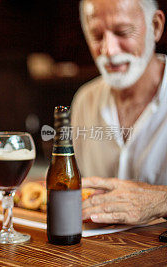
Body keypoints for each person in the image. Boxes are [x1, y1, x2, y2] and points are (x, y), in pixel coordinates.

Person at [73, 0, 167, 225]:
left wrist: (160, 200)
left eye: (122, 32)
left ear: (155, 26)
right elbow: (76, 184)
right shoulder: (85, 100)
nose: (109, 50)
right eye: (96, 36)